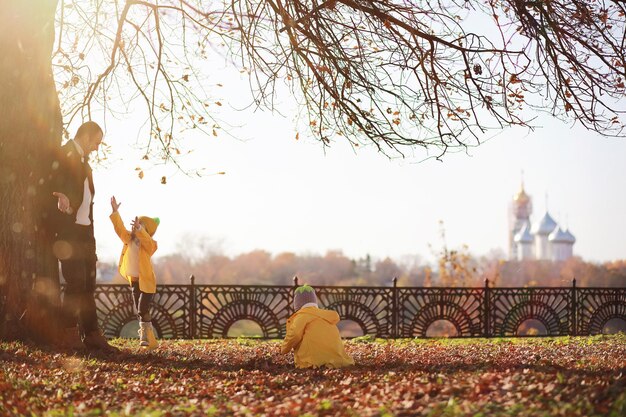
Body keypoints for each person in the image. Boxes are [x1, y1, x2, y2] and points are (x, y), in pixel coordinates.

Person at [52, 121, 118, 352]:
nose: (97, 148)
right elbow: (49, 185)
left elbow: (87, 201)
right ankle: (68, 334)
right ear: (86, 136)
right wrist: (60, 197)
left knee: (89, 284)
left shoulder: (86, 164)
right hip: (67, 232)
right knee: (76, 282)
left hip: (85, 232)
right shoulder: (63, 154)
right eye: (97, 142)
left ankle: (92, 335)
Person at [109, 195, 159, 349]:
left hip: (147, 282)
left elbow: (148, 243)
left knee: (141, 308)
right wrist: (115, 212)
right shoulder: (128, 239)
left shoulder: (150, 245)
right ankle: (148, 336)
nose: (135, 226)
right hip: (134, 280)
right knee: (140, 311)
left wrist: (139, 229)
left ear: (146, 230)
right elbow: (119, 229)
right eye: (135, 224)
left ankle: (144, 334)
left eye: (141, 225)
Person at [281, 285, 355, 368]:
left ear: (297, 303)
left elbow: (295, 334)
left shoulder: (302, 316)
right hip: (336, 359)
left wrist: (284, 349)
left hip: (312, 361)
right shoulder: (325, 316)